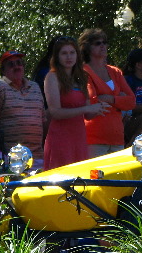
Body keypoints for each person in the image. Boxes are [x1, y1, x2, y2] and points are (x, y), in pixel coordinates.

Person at [43, 37, 107, 170]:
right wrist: (87, 108)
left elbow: (88, 115)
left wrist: (98, 108)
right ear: (57, 57)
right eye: (64, 53)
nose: (69, 57)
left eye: (72, 53)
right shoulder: (52, 77)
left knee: (79, 180)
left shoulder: (81, 78)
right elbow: (55, 112)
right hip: (60, 138)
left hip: (79, 137)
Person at [79, 29, 136, 158]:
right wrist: (120, 99)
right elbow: (93, 101)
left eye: (105, 42)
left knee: (117, 177)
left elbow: (131, 101)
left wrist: (110, 99)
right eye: (98, 43)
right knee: (94, 177)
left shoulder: (115, 71)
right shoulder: (83, 72)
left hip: (117, 138)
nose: (103, 46)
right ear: (87, 47)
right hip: (94, 139)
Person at [0, 50, 46, 169]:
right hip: (12, 159)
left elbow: (43, 120)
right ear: (3, 70)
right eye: (11, 64)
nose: (16, 67)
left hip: (38, 157)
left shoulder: (35, 87)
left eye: (19, 63)